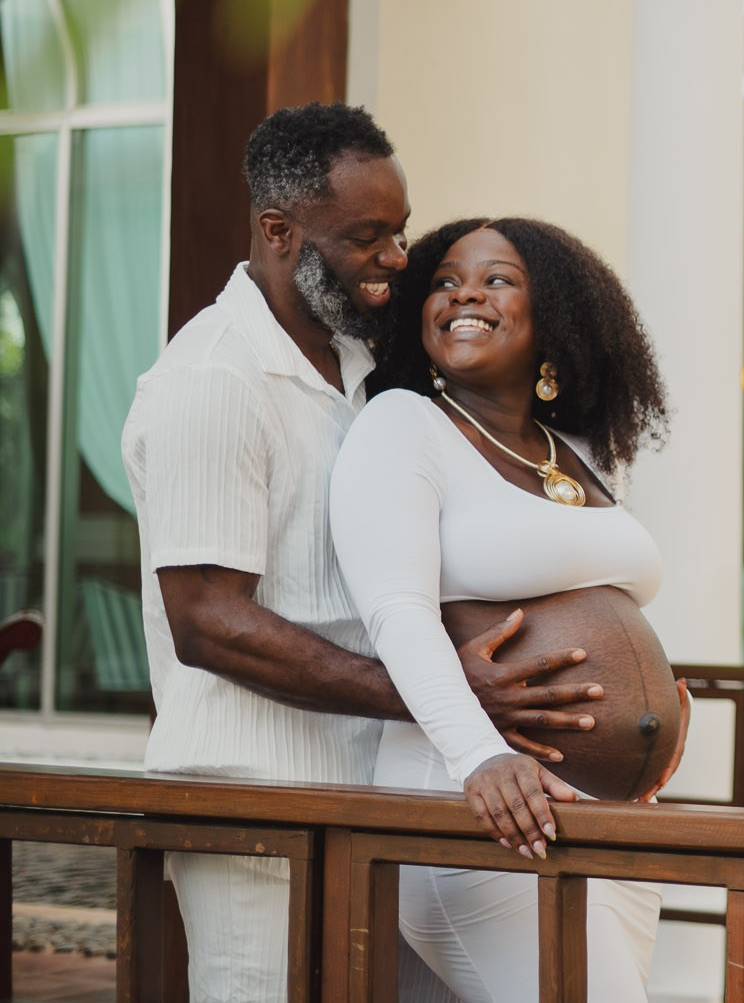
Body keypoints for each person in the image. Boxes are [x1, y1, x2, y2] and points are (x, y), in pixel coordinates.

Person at [122, 105, 604, 1002]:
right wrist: (439, 696)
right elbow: (208, 621)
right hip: (255, 808)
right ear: (278, 231)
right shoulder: (213, 381)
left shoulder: (363, 363)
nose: (396, 259)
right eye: (367, 237)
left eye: (401, 232)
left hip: (378, 801)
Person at [331, 216, 683, 1001]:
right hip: (485, 805)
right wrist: (478, 758)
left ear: (554, 313)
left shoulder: (576, 452)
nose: (465, 295)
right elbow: (397, 611)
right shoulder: (404, 425)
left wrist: (660, 711)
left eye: (498, 280)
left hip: (611, 813)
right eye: (447, 280)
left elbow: (603, 600)